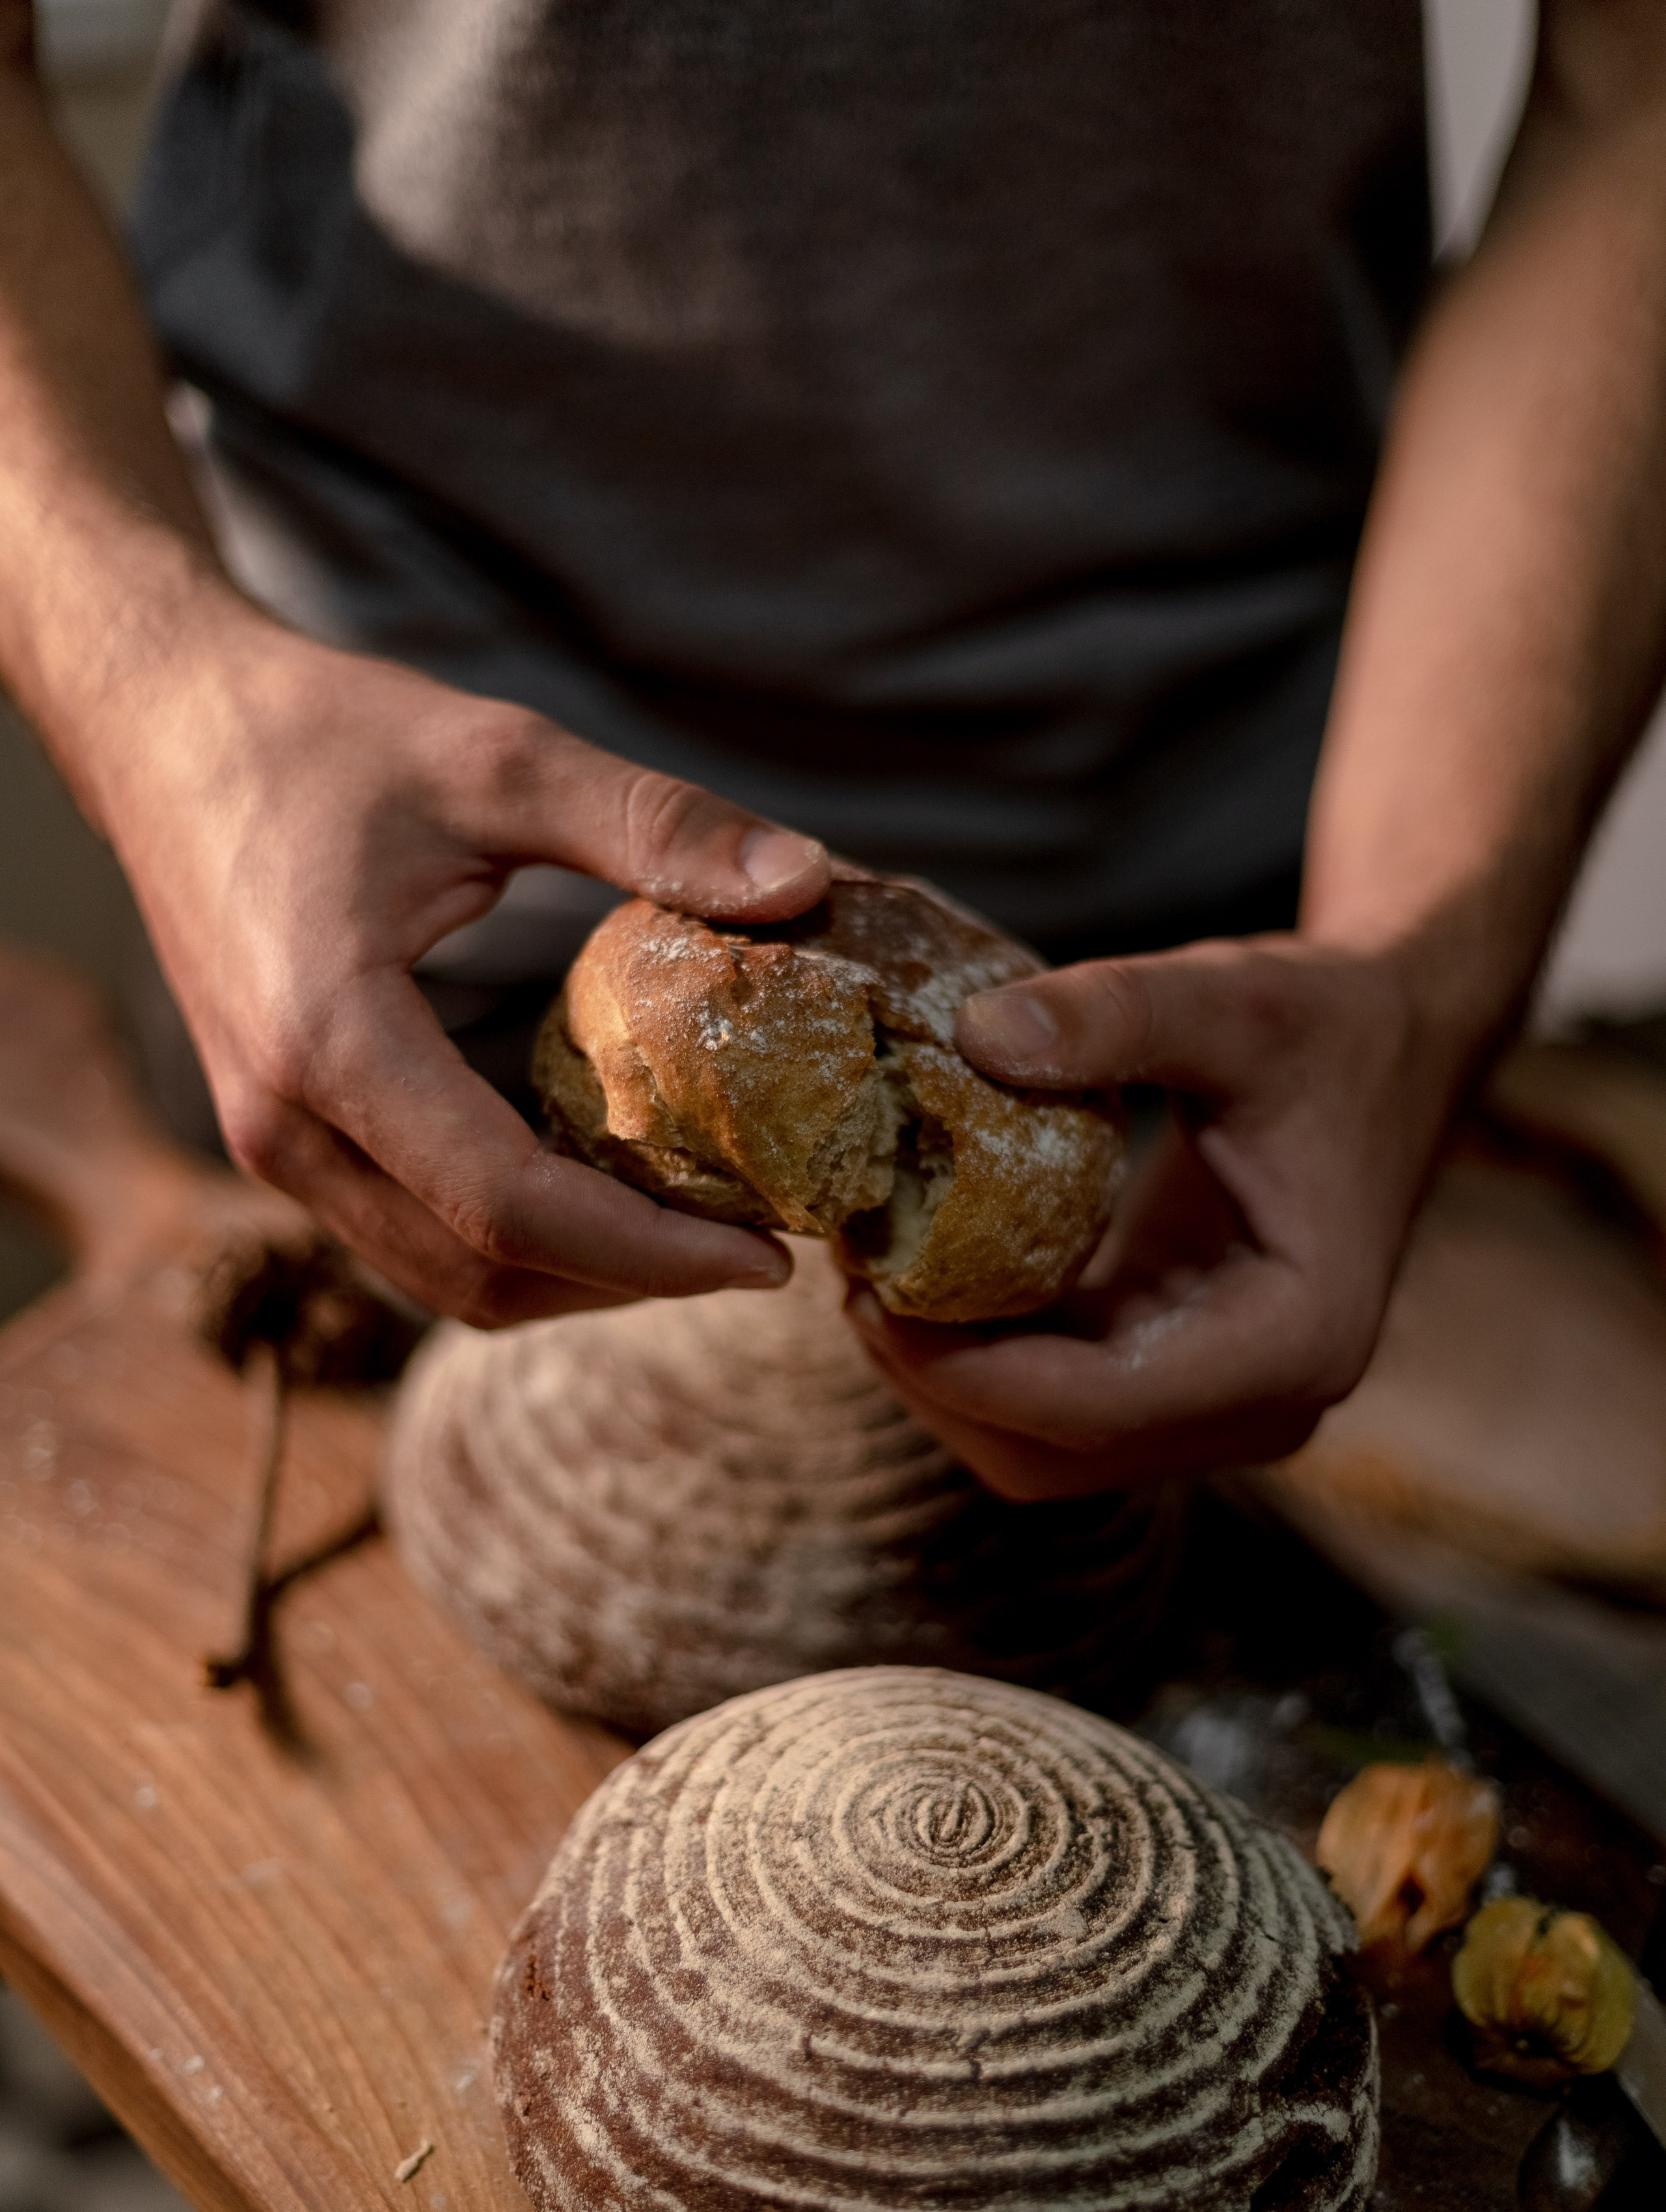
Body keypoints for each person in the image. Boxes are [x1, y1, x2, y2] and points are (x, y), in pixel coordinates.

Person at [1, 0, 1663, 1498]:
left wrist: (1414, 968)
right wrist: (171, 706)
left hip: (1243, 966)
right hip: (367, 908)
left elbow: (1633, 84)